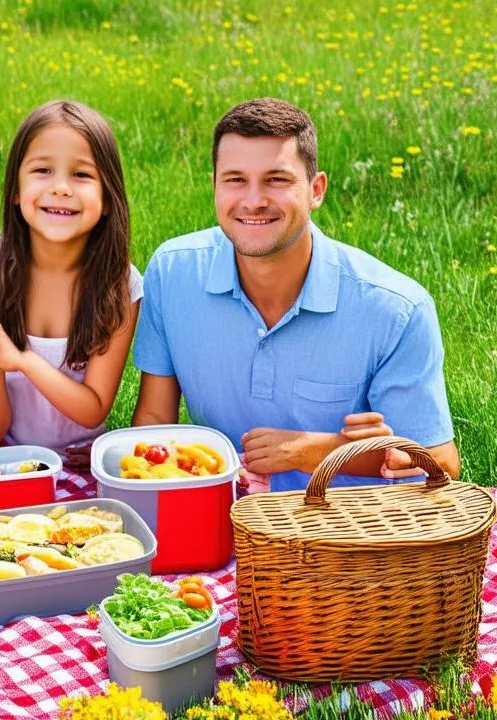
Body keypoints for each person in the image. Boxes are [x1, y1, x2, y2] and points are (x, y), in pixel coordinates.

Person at [132, 97, 459, 491]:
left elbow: (440, 462)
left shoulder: (397, 309)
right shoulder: (172, 272)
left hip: (346, 532)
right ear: (214, 186)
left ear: (315, 190)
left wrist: (310, 450)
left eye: (277, 179)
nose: (253, 200)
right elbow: (153, 420)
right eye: (235, 179)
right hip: (222, 515)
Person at [0, 100, 142, 455]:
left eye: (82, 175)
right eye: (43, 170)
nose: (61, 188)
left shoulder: (119, 284)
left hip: (79, 461)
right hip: (3, 462)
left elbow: (92, 409)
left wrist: (20, 359)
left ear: (107, 199)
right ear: (15, 190)